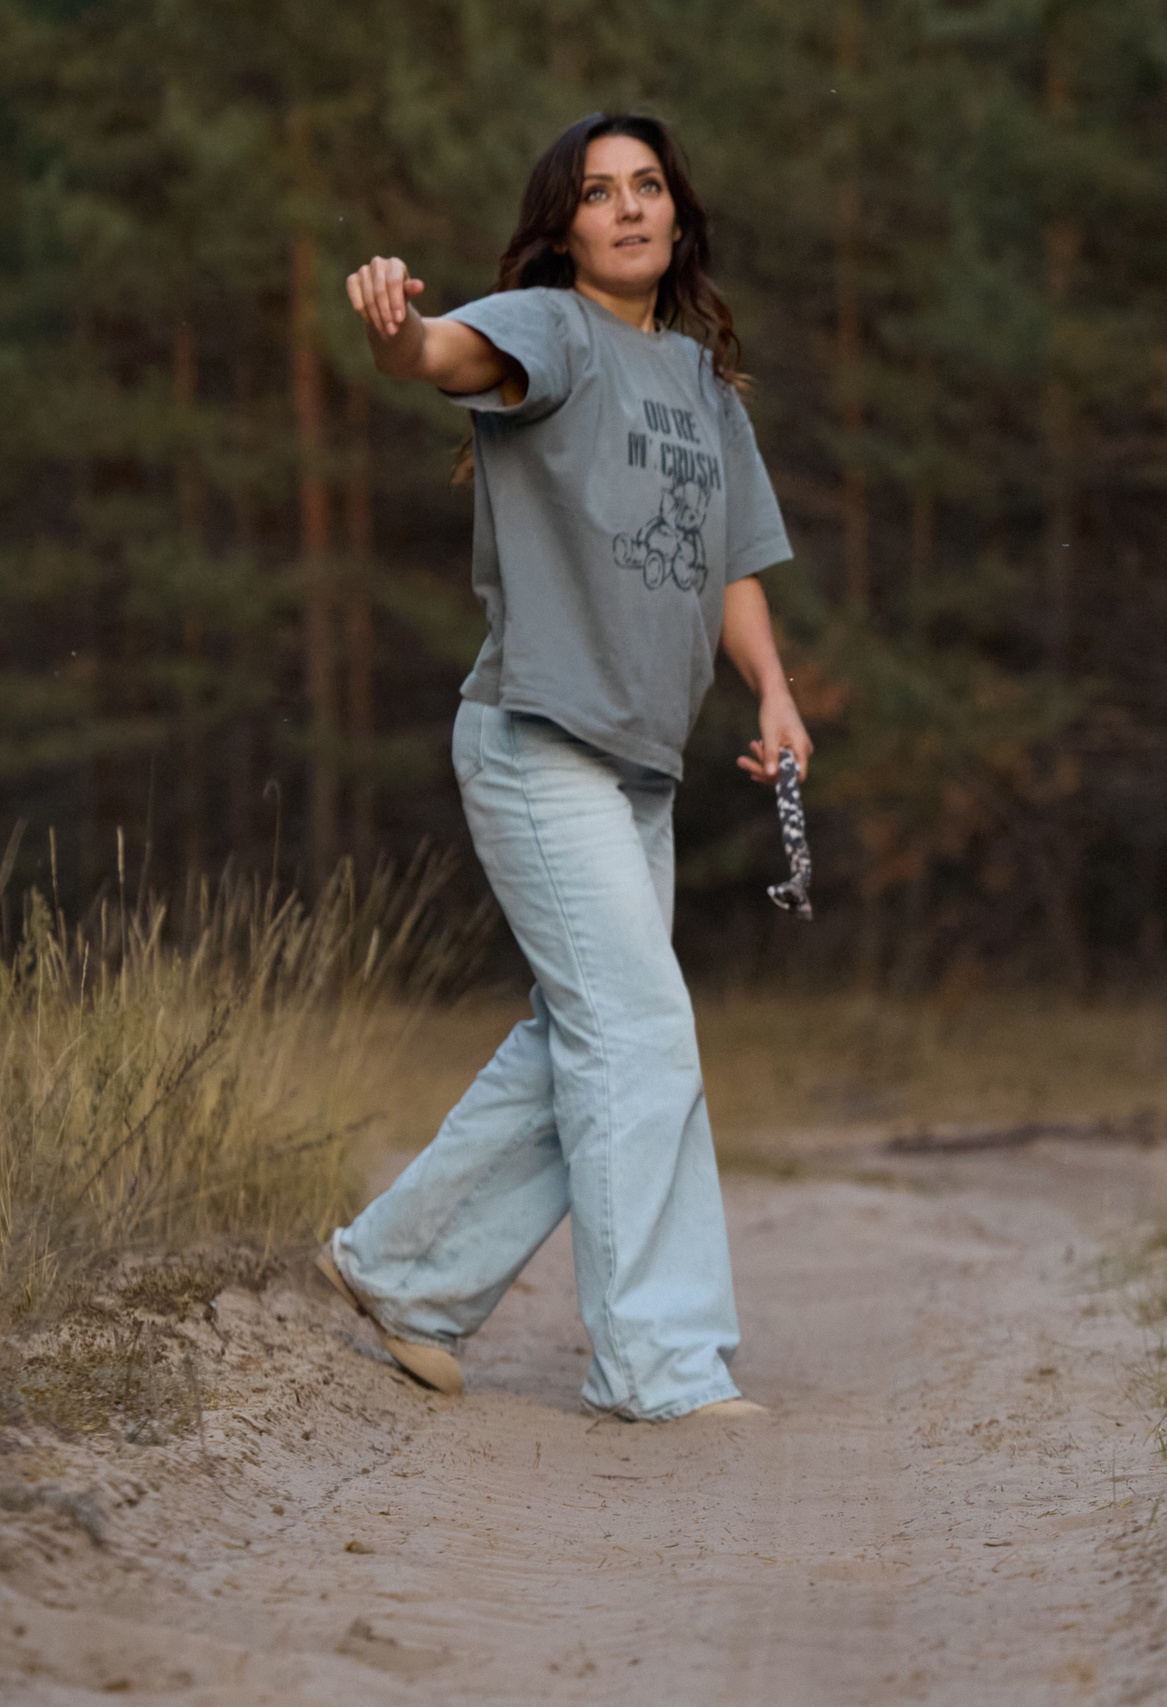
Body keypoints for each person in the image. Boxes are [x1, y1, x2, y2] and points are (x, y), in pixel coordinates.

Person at [315, 112, 810, 1423]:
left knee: (574, 1042)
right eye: (600, 194)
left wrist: (774, 690)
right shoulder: (552, 329)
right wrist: (394, 329)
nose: (630, 208)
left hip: (638, 770)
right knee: (641, 1033)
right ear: (568, 225)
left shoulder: (707, 390)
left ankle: (403, 1274)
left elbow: (734, 569)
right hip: (539, 747)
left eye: (649, 187)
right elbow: (441, 351)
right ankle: (661, 1359)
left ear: (679, 214)